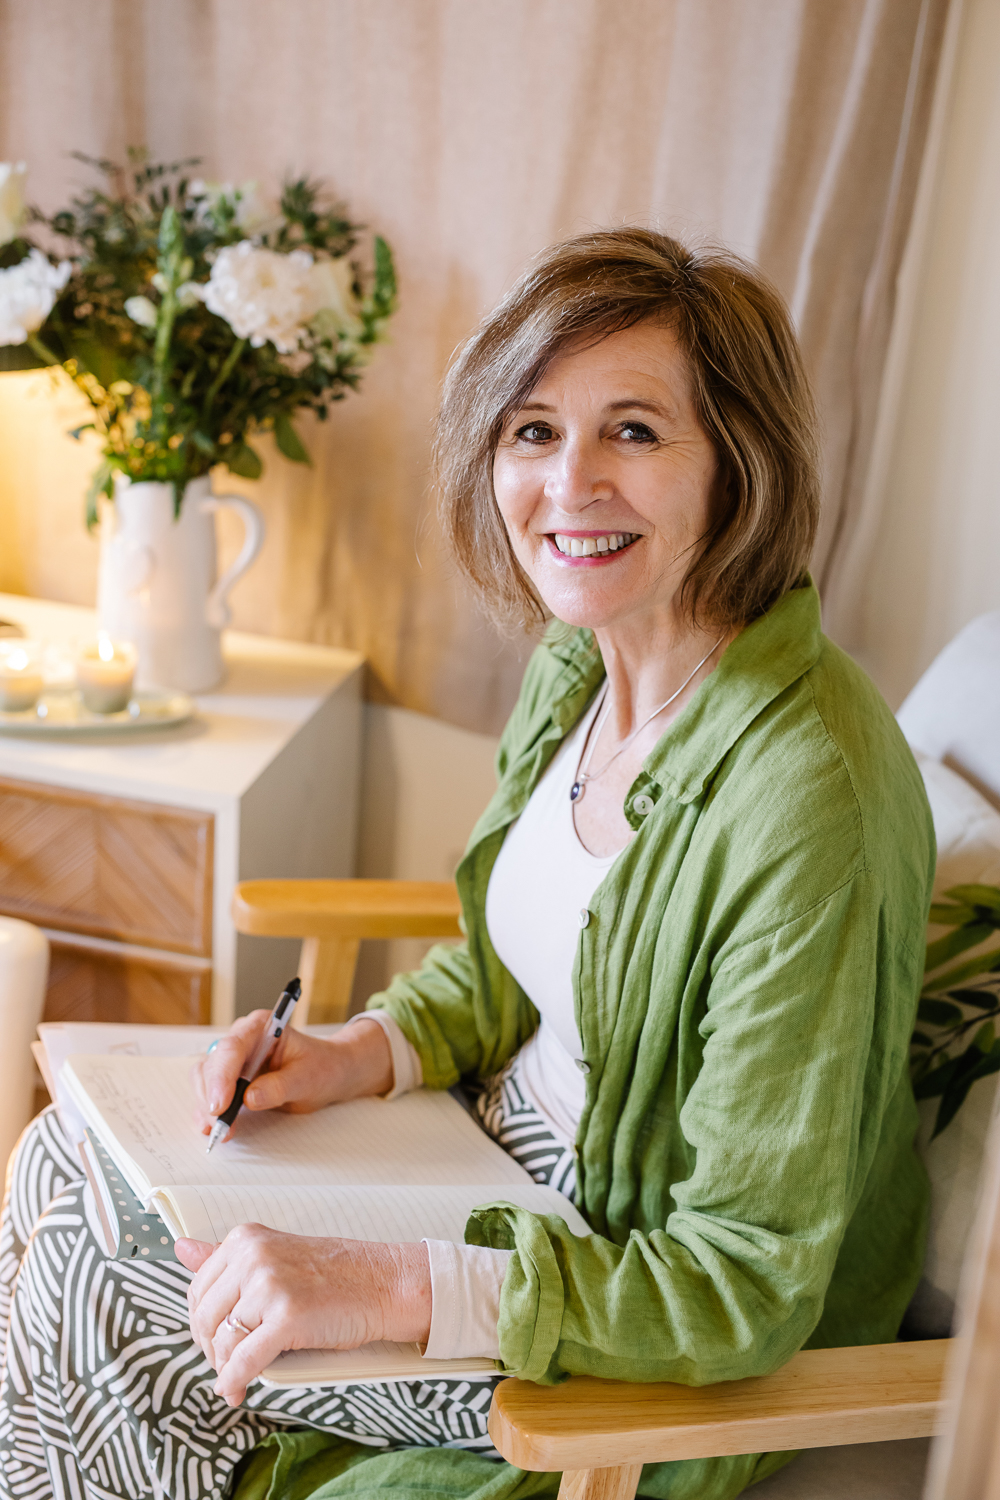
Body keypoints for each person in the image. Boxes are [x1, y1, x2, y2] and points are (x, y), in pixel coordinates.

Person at [0, 229, 934, 1500]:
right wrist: (354, 1052)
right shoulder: (585, 664)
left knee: (101, 1245)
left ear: (739, 462)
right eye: (533, 430)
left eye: (636, 433)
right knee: (66, 1167)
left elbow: (748, 1277)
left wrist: (376, 1281)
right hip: (478, 1160)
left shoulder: (805, 798)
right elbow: (516, 966)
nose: (569, 483)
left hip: (610, 1293)